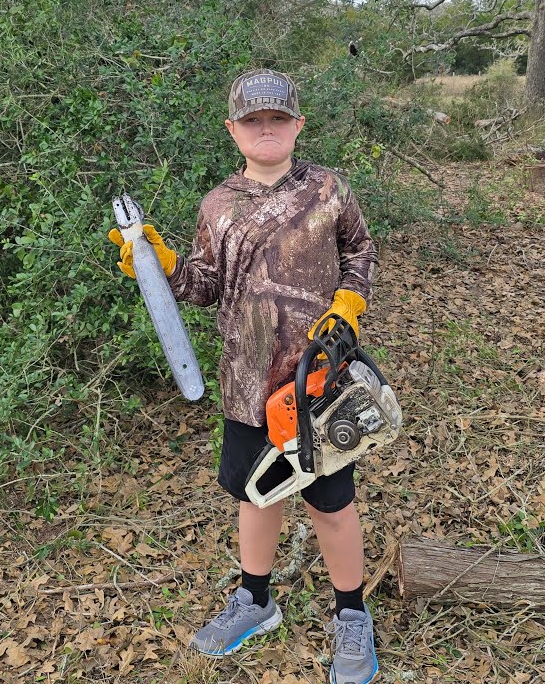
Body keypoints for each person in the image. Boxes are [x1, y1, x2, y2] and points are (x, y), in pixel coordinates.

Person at [108, 68, 380, 683]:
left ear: (297, 125)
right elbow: (205, 286)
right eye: (253, 121)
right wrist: (161, 263)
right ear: (233, 130)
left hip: (320, 383)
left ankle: (352, 616)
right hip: (246, 381)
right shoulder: (218, 204)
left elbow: (360, 252)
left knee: (333, 505)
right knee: (255, 495)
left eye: (277, 119)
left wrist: (349, 305)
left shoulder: (329, 189)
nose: (266, 130)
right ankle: (256, 601)